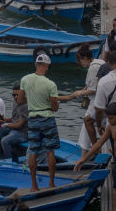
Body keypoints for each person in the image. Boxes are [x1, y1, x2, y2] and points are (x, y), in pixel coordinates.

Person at [21, 54, 89, 191]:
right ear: (47, 66)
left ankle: (34, 186)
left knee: (33, 151)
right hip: (47, 118)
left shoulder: (25, 79)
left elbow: (21, 100)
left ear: (36, 64)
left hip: (33, 117)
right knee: (50, 151)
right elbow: (54, 107)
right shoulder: (50, 84)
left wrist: (34, 103)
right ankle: (51, 183)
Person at [0, 85, 29, 161]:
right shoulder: (15, 102)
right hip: (12, 128)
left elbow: (19, 125)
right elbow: (15, 118)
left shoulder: (26, 106)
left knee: (5, 141)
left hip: (22, 132)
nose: (15, 97)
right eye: (13, 95)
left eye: (17, 95)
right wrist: (6, 120)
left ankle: (9, 162)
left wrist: (8, 125)